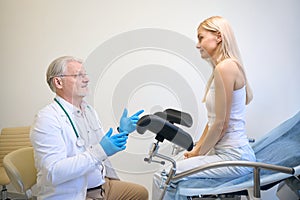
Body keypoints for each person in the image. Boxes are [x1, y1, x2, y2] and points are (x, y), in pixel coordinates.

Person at [152, 16, 256, 199]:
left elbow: (221, 125)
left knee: (163, 175)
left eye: (200, 38)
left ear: (218, 36)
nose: (197, 44)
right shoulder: (224, 68)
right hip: (226, 154)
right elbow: (213, 121)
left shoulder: (226, 68)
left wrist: (198, 153)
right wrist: (195, 151)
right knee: (175, 167)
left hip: (234, 157)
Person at [30, 56, 148, 200]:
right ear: (58, 82)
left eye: (85, 75)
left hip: (102, 184)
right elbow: (53, 173)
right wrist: (99, 152)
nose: (86, 79)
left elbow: (100, 145)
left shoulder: (88, 110)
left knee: (140, 193)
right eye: (78, 75)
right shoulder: (47, 119)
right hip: (76, 193)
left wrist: (121, 131)